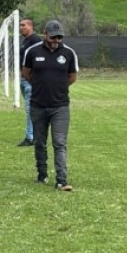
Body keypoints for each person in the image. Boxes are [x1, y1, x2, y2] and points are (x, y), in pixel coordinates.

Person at [22, 20, 78, 191]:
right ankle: (42, 174)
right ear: (45, 34)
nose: (56, 41)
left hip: (60, 106)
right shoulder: (32, 51)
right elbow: (26, 73)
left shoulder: (69, 53)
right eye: (53, 37)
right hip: (37, 105)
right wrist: (41, 86)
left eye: (59, 37)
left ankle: (61, 180)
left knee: (59, 143)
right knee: (39, 142)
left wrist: (58, 88)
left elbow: (72, 76)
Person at [17, 17, 42, 146]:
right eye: (20, 25)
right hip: (23, 79)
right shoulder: (25, 41)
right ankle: (34, 135)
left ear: (31, 27)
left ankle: (31, 137)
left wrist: (33, 78)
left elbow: (40, 58)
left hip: (30, 81)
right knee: (30, 109)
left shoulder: (35, 40)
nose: (21, 27)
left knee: (30, 109)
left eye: (24, 25)